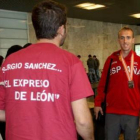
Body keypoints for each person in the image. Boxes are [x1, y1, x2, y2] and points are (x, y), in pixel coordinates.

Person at [0, 1, 94, 140]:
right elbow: (82, 122)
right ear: (61, 29)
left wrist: (26, 115)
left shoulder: (9, 62)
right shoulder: (71, 62)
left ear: (36, 28)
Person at [94, 26, 140, 140]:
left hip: (132, 112)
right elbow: (103, 84)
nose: (125, 41)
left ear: (133, 40)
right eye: (122, 38)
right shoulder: (111, 60)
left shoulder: (139, 61)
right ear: (118, 40)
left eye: (128, 38)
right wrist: (98, 103)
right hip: (112, 112)